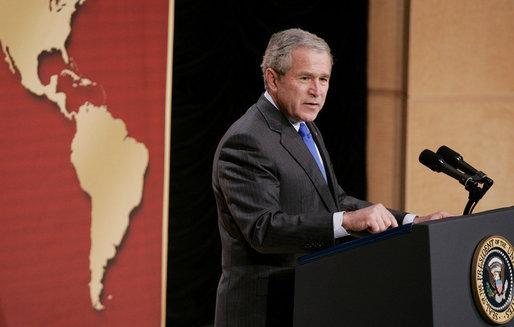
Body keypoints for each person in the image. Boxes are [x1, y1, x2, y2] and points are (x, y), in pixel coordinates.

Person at [211, 28, 452, 327]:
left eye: (323, 79)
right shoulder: (247, 140)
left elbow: (333, 199)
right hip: (264, 311)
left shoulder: (304, 126)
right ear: (273, 79)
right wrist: (347, 221)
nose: (317, 90)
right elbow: (263, 229)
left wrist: (410, 223)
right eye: (305, 78)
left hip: (309, 300)